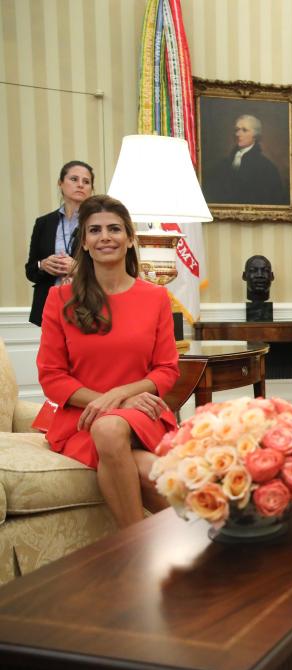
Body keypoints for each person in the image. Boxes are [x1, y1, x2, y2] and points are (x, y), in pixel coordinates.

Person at [37, 195, 180, 528]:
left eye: (114, 229)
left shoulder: (156, 296)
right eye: (95, 230)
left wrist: (124, 397)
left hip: (142, 415)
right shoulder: (60, 298)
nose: (105, 237)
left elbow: (167, 369)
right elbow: (51, 376)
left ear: (130, 239)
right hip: (82, 420)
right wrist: (113, 401)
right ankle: (206, 545)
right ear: (84, 243)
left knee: (112, 424)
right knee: (138, 459)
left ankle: (131, 552)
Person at [25, 161, 95, 327]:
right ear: (60, 183)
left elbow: (110, 267)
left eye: (86, 182)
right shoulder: (44, 223)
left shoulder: (97, 221)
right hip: (50, 305)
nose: (80, 185)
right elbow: (30, 270)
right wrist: (43, 265)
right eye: (74, 179)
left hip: (87, 304)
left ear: (91, 189)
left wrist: (79, 269)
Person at [204, 114, 285, 205]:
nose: (238, 134)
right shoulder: (223, 164)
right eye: (237, 130)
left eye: (244, 130)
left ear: (255, 135)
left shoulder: (267, 167)